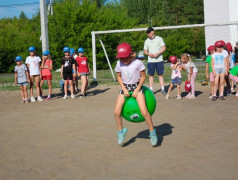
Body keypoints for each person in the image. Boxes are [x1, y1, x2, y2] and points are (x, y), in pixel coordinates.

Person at [114, 42, 158, 147]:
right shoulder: (119, 64)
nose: (123, 61)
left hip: (137, 88)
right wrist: (124, 89)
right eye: (121, 58)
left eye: (125, 58)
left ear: (131, 54)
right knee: (116, 112)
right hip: (125, 88)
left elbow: (143, 77)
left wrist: (137, 89)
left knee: (144, 112)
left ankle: (152, 133)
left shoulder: (138, 63)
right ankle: (121, 133)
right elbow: (119, 77)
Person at [144, 27, 166, 94]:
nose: (148, 34)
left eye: (149, 32)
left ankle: (163, 89)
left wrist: (158, 53)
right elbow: (145, 51)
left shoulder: (159, 39)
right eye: (147, 33)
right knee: (151, 75)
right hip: (151, 61)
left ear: (153, 31)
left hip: (159, 60)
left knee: (160, 74)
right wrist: (148, 53)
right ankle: (151, 90)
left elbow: (164, 48)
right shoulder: (146, 41)